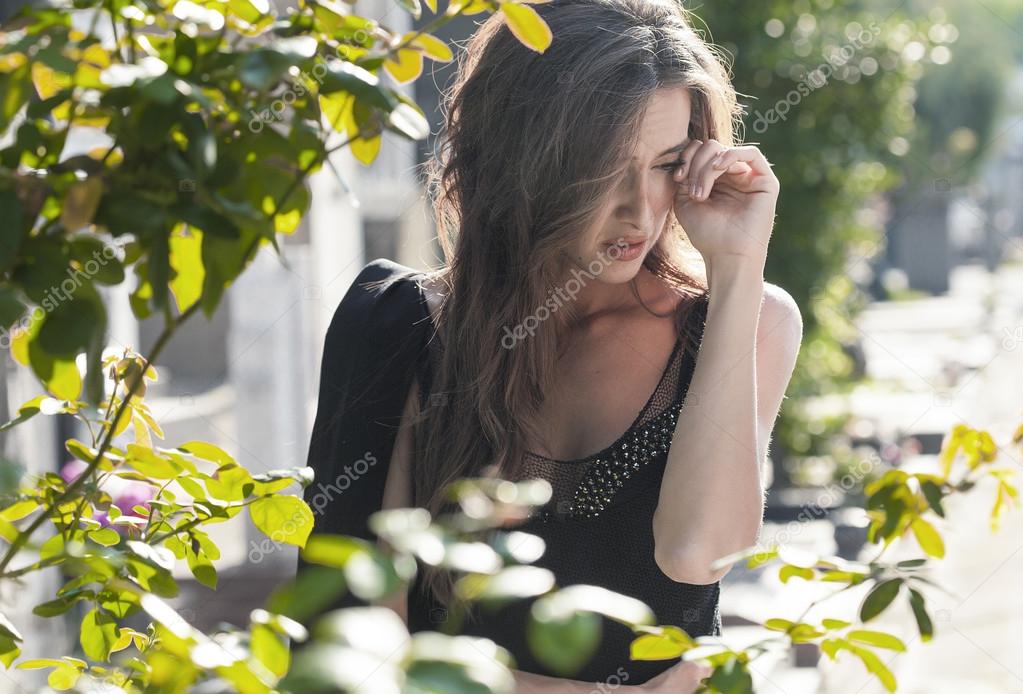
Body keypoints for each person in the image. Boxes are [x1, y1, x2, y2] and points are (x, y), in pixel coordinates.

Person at [298, 0, 803, 689]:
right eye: (601, 168)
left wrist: (739, 268)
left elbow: (695, 553)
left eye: (665, 165)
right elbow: (357, 638)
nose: (639, 211)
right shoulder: (398, 325)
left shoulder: (746, 322)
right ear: (520, 158)